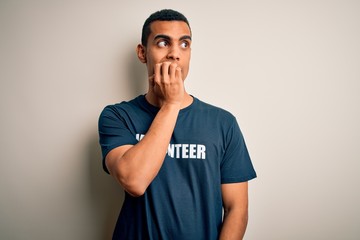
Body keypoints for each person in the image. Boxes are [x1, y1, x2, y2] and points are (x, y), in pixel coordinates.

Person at [98, 9, 257, 240]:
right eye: (163, 43)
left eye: (184, 44)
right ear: (142, 53)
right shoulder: (118, 116)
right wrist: (171, 104)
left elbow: (237, 209)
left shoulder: (223, 123)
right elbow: (134, 181)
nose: (175, 54)